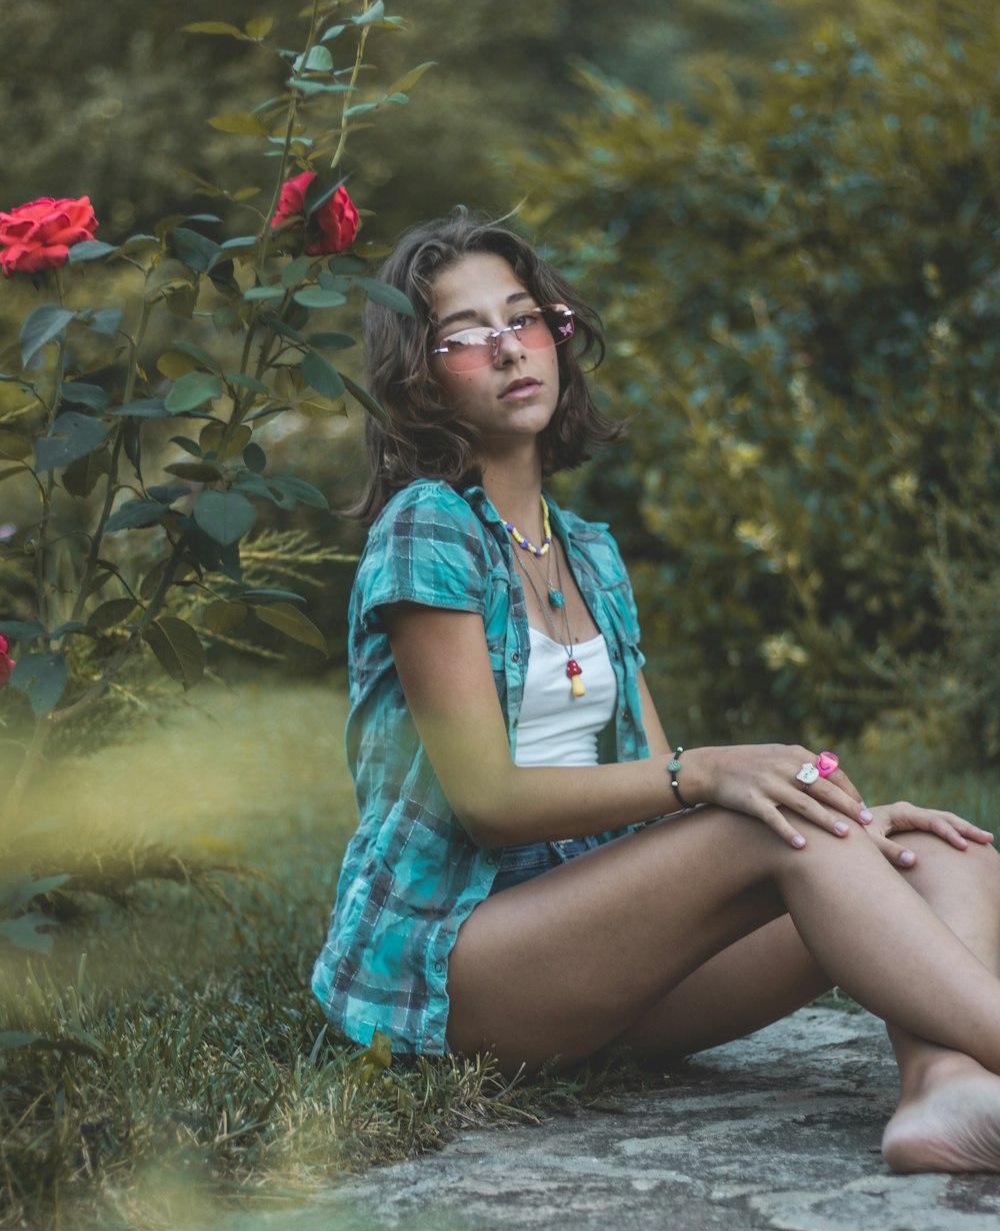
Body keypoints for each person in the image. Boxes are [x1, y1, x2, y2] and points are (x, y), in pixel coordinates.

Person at [312, 210, 1000, 1175]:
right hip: (457, 969)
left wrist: (855, 828)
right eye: (465, 335)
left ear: (560, 334)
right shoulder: (428, 527)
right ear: (421, 377)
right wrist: (710, 772)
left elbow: (650, 801)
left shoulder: (587, 550)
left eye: (524, 317)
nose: (509, 348)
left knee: (934, 848)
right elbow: (489, 801)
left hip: (602, 961)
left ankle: (947, 1091)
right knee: (762, 818)